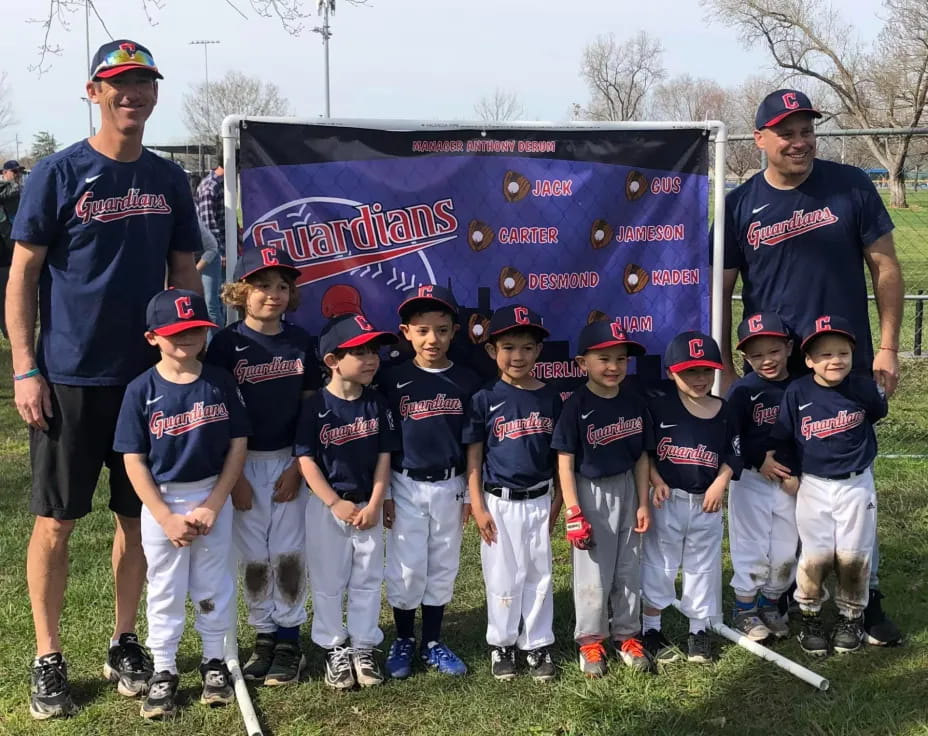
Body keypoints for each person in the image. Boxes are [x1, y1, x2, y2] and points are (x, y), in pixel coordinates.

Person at [6, 39, 202, 719]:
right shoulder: (58, 174)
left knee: (138, 518)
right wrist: (25, 367)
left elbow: (184, 276)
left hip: (148, 382)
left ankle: (124, 641)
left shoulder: (169, 178)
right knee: (55, 522)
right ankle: (48, 655)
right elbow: (23, 276)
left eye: (143, 83)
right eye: (119, 84)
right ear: (93, 92)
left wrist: (186, 361)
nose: (132, 95)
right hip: (66, 377)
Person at [718, 88, 903, 645]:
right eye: (786, 132)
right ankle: (794, 600)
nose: (799, 142)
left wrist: (889, 347)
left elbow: (886, 267)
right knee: (790, 489)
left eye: (806, 130)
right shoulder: (740, 204)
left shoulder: (850, 185)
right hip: (774, 367)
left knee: (850, 483)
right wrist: (727, 368)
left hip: (838, 364)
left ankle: (862, 599)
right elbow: (718, 291)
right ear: (760, 140)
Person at [114, 289, 249, 719]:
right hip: (165, 499)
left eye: (195, 329)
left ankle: (213, 661)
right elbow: (133, 459)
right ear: (153, 337)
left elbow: (237, 443)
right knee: (166, 588)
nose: (187, 338)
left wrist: (214, 502)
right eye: (177, 332)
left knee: (213, 583)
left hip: (212, 492)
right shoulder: (141, 389)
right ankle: (165, 668)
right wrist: (163, 516)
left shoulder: (219, 381)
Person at [204, 246, 319, 686]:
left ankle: (290, 640)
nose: (273, 294)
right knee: (253, 555)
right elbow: (218, 414)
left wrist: (297, 466)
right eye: (262, 286)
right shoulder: (226, 345)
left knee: (288, 552)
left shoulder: (301, 341)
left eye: (282, 286)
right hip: (243, 463)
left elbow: (311, 409)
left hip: (290, 461)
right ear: (239, 292)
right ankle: (264, 636)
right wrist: (232, 479)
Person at [769, 315, 887, 656]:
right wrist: (789, 472)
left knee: (854, 553)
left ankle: (851, 616)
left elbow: (876, 412)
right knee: (815, 553)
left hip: (855, 484)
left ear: (852, 355)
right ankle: (810, 614)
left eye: (842, 353)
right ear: (808, 360)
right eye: (824, 355)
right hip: (814, 485)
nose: (835, 360)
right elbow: (785, 437)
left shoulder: (862, 388)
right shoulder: (798, 391)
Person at [294, 313, 400, 690]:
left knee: (368, 578)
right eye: (360, 351)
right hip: (328, 508)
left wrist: (375, 502)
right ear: (333, 361)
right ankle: (334, 646)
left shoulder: (378, 404)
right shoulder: (315, 405)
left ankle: (363, 644)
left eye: (374, 350)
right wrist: (333, 502)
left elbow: (384, 457)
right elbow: (306, 459)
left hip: (367, 506)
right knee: (327, 580)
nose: (372, 359)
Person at [463, 305, 562, 682]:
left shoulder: (550, 398)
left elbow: (557, 459)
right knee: (503, 576)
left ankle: (537, 643)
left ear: (538, 352)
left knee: (539, 574)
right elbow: (474, 456)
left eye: (526, 347)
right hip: (498, 500)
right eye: (508, 347)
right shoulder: (485, 397)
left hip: (539, 497)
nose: (517, 356)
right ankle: (502, 642)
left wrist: (556, 505)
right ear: (492, 351)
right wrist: (477, 504)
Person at [551, 320, 652, 677]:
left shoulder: (634, 401)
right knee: (593, 570)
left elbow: (642, 457)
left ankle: (627, 634)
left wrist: (642, 501)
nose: (613, 367)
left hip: (626, 486)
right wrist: (574, 510)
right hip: (590, 489)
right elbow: (565, 460)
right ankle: (591, 639)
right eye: (603, 358)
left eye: (621, 359)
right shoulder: (576, 405)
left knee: (628, 567)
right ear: (582, 364)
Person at [640, 332, 740, 665]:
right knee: (659, 562)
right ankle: (651, 627)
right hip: (667, 499)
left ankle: (698, 630)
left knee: (703, 565)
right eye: (689, 372)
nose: (699, 379)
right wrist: (655, 479)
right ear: (671, 372)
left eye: (705, 371)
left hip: (706, 502)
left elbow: (734, 453)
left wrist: (720, 483)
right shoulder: (659, 405)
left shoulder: (724, 410)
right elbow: (647, 452)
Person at [725, 312, 800, 642]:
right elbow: (730, 436)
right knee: (751, 549)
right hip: (752, 481)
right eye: (756, 354)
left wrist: (795, 471)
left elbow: (806, 434)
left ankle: (770, 604)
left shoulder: (801, 387)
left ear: (789, 347)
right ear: (744, 357)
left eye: (773, 351)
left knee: (785, 551)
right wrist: (759, 460)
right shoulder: (743, 390)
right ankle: (743, 610)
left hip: (789, 482)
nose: (766, 360)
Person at [196, 159, 227, 329]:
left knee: (217, 301)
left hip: (215, 250)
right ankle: (213, 345)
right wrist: (222, 252)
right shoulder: (210, 187)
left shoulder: (221, 185)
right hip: (211, 251)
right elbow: (209, 224)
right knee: (212, 303)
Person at [0, 159, 25, 338]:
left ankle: (11, 331)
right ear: (4, 173)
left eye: (19, 172)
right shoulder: (7, 189)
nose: (17, 175)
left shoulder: (20, 192)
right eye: (14, 172)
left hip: (14, 253)